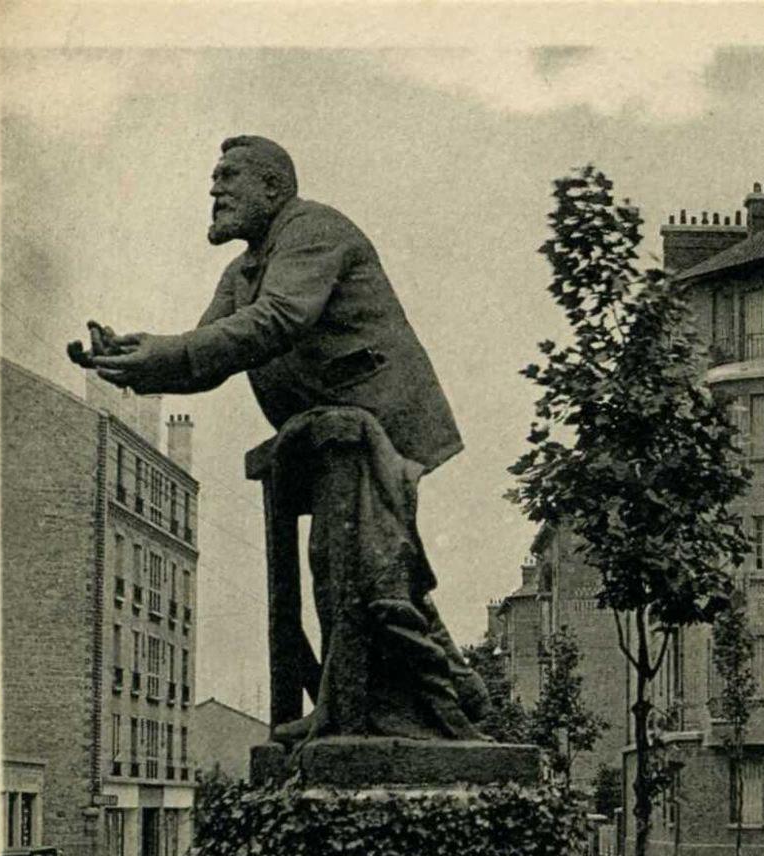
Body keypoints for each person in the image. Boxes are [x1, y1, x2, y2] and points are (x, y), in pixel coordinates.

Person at [82, 135, 481, 747]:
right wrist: (139, 360)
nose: (214, 189)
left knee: (349, 558)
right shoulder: (241, 272)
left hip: (376, 420)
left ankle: (352, 708)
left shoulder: (312, 230)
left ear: (273, 188)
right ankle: (447, 681)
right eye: (213, 177)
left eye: (228, 177)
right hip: (327, 433)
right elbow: (205, 356)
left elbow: (279, 320)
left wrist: (168, 350)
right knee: (368, 561)